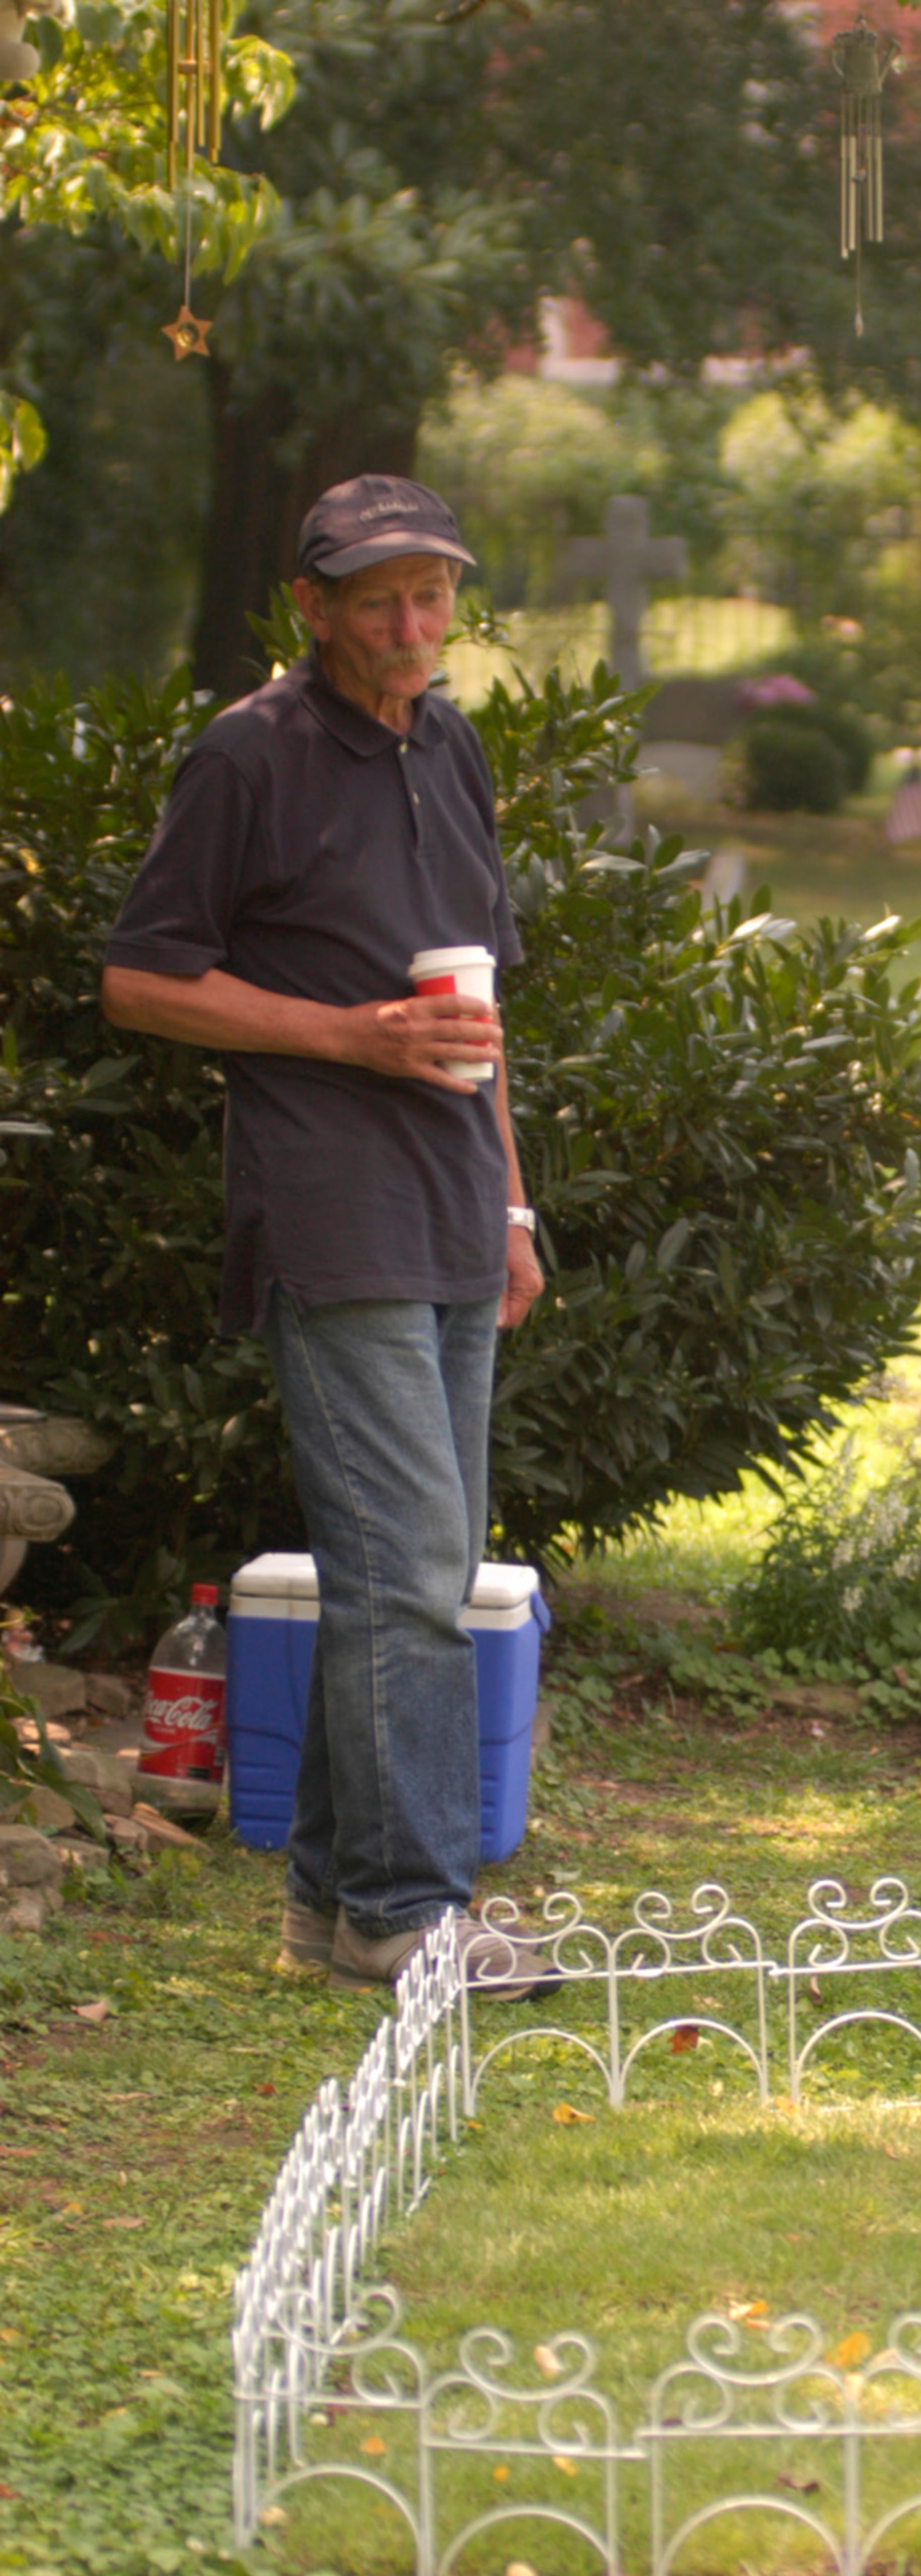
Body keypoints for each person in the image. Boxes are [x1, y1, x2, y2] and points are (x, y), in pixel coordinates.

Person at [101, 475, 558, 2000]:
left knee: (405, 1570)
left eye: (431, 594)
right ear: (311, 607)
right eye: (378, 598)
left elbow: (481, 1003)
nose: (411, 624)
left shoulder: (453, 742)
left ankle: (324, 1905)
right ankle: (409, 1917)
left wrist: (508, 1205)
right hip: (330, 1206)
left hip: (447, 1208)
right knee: (412, 1572)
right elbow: (144, 980)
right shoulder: (251, 755)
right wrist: (344, 1041)